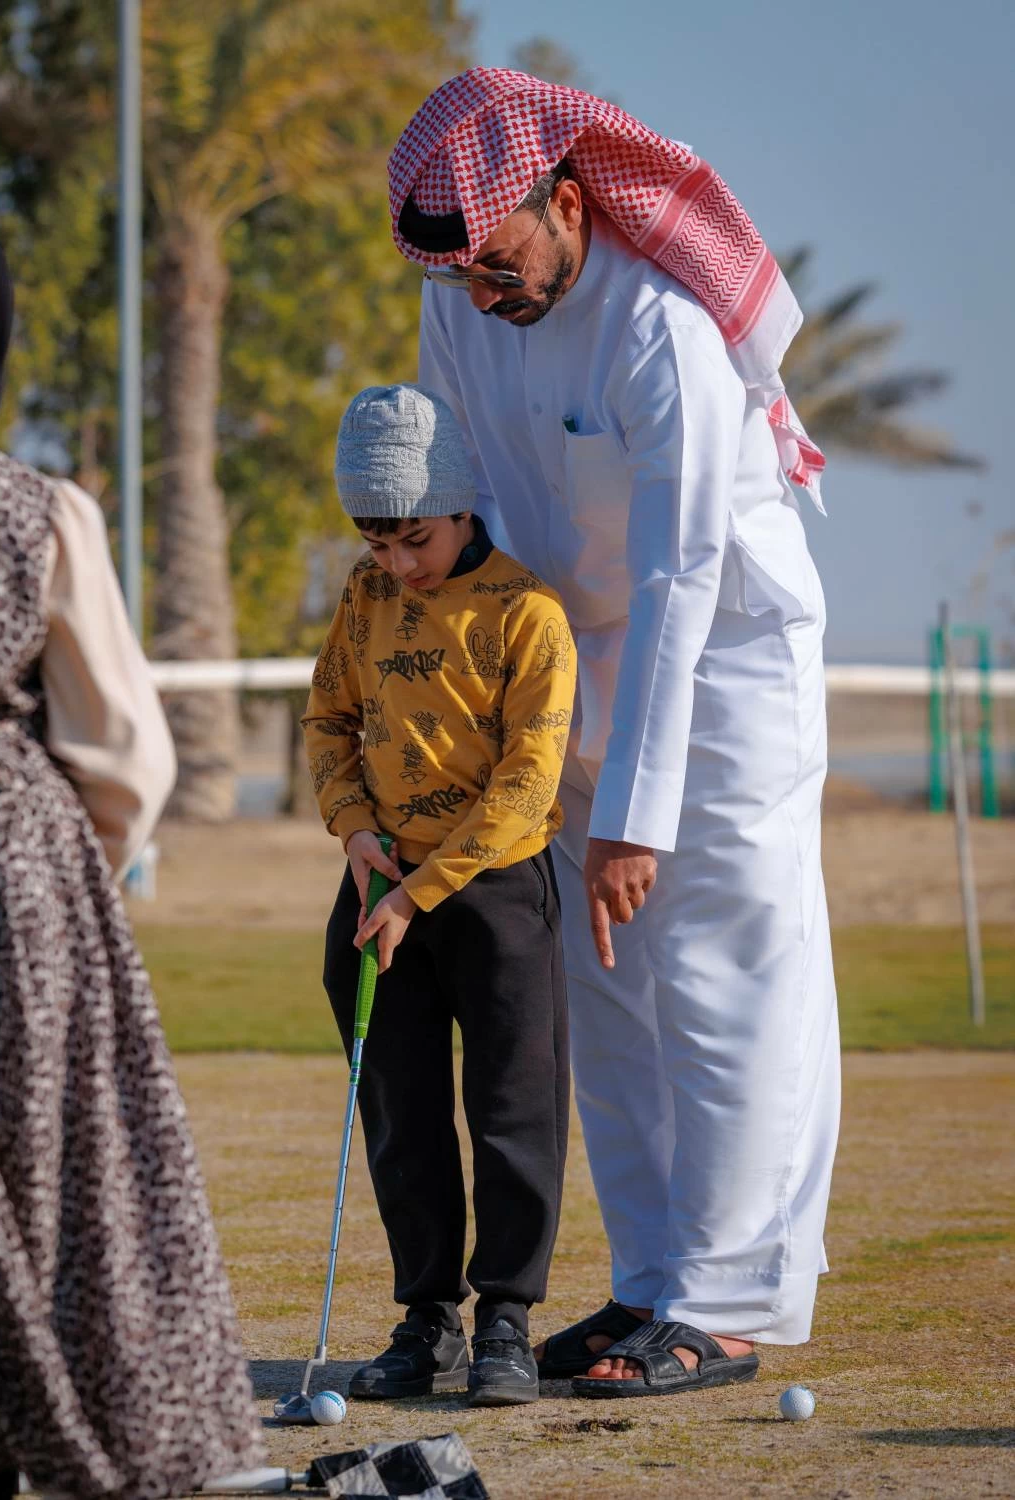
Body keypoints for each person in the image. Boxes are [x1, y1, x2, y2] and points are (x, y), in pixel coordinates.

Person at [386, 69, 841, 1397]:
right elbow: (465, 506)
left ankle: (727, 1301)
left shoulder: (662, 323)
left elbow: (680, 576)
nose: (484, 290)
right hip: (558, 671)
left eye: (501, 258)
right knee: (603, 984)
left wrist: (635, 815)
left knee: (714, 974)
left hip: (724, 672)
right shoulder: (462, 308)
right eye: (460, 272)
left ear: (570, 202)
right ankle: (650, 1286)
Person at [0, 210, 262, 1498]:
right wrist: (73, 875)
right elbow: (127, 755)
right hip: (2, 890)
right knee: (28, 1201)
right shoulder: (35, 508)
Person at [302, 383, 576, 1407]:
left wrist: (420, 891)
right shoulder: (363, 601)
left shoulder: (530, 614)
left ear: (459, 508)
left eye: (412, 539)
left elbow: (526, 783)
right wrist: (357, 835)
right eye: (377, 544)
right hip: (376, 885)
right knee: (399, 1109)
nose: (397, 565)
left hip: (492, 889)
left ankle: (507, 1318)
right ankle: (429, 1320)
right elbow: (328, 721)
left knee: (513, 1105)